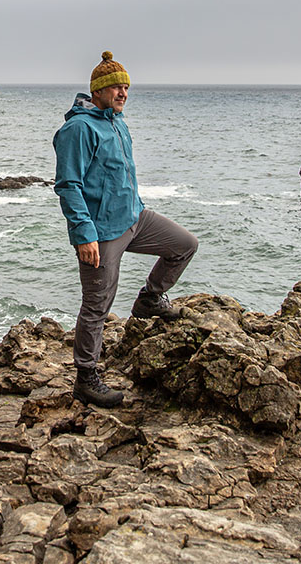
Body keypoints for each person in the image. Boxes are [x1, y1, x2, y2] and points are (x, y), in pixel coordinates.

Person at [53, 51, 199, 407]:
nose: (123, 93)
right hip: (102, 233)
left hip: (135, 218)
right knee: (97, 307)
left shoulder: (117, 122)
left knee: (184, 244)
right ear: (97, 91)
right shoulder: (78, 129)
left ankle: (149, 299)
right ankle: (85, 379)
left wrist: (137, 207)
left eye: (126, 87)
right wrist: (84, 234)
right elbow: (67, 185)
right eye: (116, 87)